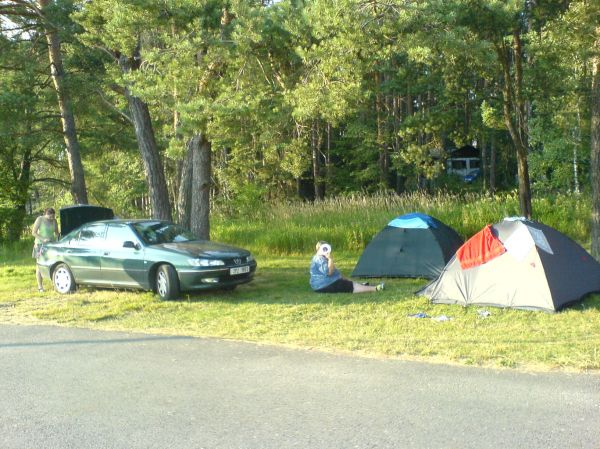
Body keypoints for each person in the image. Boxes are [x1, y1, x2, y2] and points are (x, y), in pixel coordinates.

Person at [309, 241, 384, 294]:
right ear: (319, 249)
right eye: (325, 248)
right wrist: (330, 259)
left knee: (344, 280)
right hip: (325, 285)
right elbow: (329, 272)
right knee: (350, 286)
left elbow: (336, 274)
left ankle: (361, 285)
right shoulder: (320, 259)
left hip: (319, 287)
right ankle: (375, 288)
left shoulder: (318, 258)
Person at [32, 208, 59, 292]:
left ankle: (55, 284)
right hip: (40, 245)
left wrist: (59, 241)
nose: (52, 218)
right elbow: (33, 232)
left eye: (53, 216)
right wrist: (43, 239)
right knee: (39, 266)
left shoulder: (54, 221)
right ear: (46, 214)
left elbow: (57, 233)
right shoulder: (40, 219)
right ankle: (40, 287)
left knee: (53, 264)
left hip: (51, 245)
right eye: (50, 217)